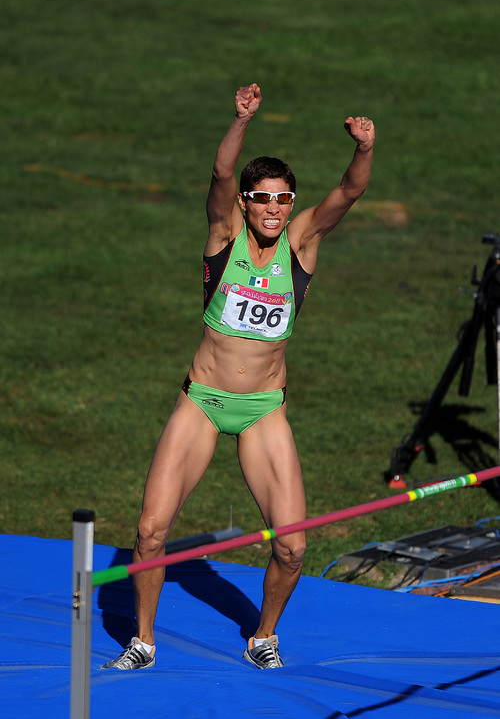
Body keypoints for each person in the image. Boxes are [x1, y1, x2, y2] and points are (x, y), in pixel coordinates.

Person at [102, 83, 375, 671]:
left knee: (293, 546)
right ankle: (142, 642)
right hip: (202, 402)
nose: (275, 208)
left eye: (284, 198)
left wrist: (364, 148)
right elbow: (221, 174)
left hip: (263, 410)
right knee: (149, 533)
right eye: (263, 199)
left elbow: (351, 191)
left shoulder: (302, 244)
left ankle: (263, 637)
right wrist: (241, 119)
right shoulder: (224, 238)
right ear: (246, 205)